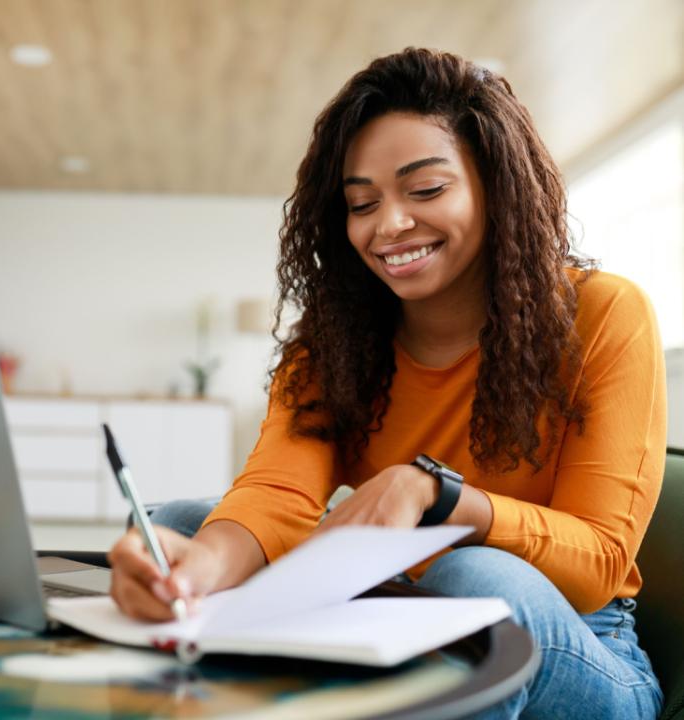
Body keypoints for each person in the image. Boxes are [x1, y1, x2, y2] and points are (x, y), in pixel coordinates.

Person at [108, 47, 665, 718]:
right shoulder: (336, 338)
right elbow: (276, 492)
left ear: (497, 184)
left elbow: (599, 561)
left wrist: (434, 493)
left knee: (473, 577)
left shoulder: (606, 314)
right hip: (395, 608)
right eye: (361, 203)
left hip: (580, 645)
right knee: (184, 527)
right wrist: (193, 577)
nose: (389, 225)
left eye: (425, 190)